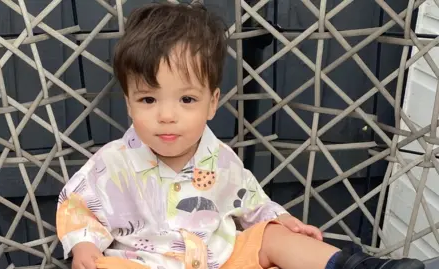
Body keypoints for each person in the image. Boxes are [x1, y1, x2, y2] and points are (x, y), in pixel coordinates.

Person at [56, 2, 425, 269]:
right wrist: (84, 247)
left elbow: (251, 203)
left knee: (270, 238)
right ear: (129, 104)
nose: (166, 116)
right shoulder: (111, 163)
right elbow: (77, 207)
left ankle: (353, 265)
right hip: (146, 261)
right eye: (148, 99)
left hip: (220, 258)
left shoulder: (220, 160)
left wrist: (281, 219)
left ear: (212, 102)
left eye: (187, 99)